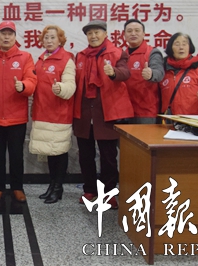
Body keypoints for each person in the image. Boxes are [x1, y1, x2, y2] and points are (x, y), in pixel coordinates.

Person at [73, 20, 134, 209]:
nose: (93, 36)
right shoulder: (80, 56)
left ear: (105, 34)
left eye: (97, 32)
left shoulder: (117, 53)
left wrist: (113, 72)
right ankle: (90, 190)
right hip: (84, 113)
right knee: (85, 155)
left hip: (107, 112)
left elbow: (125, 73)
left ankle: (109, 193)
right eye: (90, 33)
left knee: (108, 157)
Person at [0, 21, 37, 203]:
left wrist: (23, 86)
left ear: (15, 37)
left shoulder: (25, 57)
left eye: (10, 34)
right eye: (3, 33)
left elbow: (32, 81)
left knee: (16, 155)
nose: (6, 37)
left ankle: (17, 187)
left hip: (16, 117)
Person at [30, 25, 76, 204]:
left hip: (58, 114)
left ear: (60, 40)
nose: (49, 41)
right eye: (46, 38)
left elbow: (70, 86)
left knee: (59, 152)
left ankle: (58, 187)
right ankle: (52, 185)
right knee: (49, 152)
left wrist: (61, 88)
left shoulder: (67, 60)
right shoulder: (41, 59)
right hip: (42, 111)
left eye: (53, 37)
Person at [161, 33, 198, 115]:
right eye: (177, 44)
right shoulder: (163, 68)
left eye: (184, 44)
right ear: (170, 48)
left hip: (194, 119)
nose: (181, 47)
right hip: (169, 119)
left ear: (190, 47)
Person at [123, 19, 165, 124]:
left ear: (143, 34)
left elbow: (159, 72)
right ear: (124, 35)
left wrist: (151, 74)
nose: (133, 33)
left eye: (137, 30)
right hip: (125, 110)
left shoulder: (152, 52)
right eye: (129, 31)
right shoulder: (122, 54)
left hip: (146, 111)